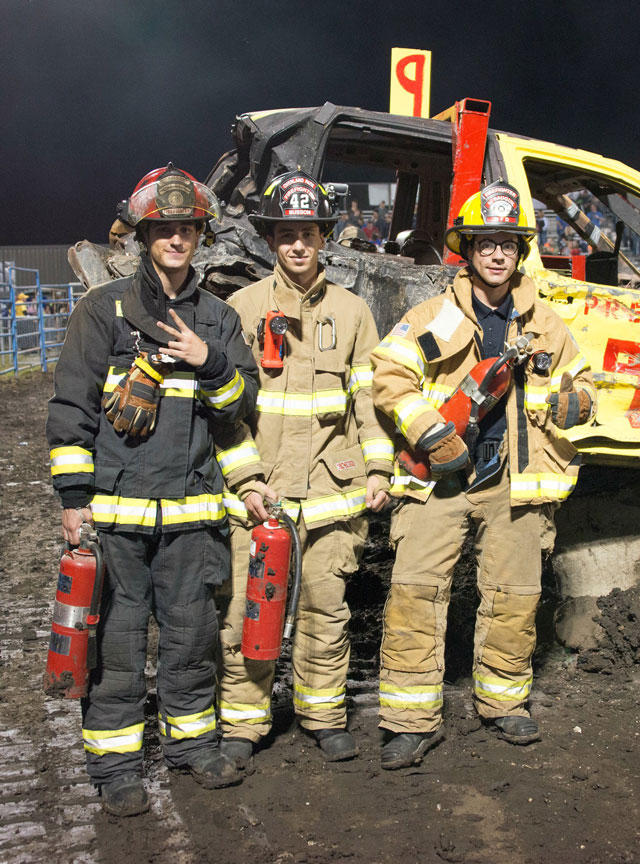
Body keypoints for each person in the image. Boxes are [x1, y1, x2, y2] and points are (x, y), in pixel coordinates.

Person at [46, 164, 259, 815]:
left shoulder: (219, 320)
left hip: (194, 518)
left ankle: (193, 747)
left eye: (185, 227)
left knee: (193, 637)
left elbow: (240, 405)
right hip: (117, 519)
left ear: (200, 234)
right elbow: (70, 410)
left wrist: (209, 361)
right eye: (162, 227)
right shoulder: (103, 311)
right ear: (143, 233)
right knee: (116, 644)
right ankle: (115, 768)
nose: (174, 238)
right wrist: (74, 499)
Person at [370, 180, 596, 770]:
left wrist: (578, 402)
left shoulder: (548, 326)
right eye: (485, 243)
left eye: (508, 244)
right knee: (416, 592)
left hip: (516, 481)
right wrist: (429, 433)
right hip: (440, 479)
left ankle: (504, 702)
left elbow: (584, 384)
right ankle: (410, 721)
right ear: (465, 249)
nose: (497, 254)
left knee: (515, 595)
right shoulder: (432, 316)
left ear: (520, 253)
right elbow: (390, 378)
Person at [215, 170, 394, 769]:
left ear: (324, 238)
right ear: (270, 240)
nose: (297, 245)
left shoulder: (352, 312)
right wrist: (245, 481)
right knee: (248, 610)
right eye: (286, 234)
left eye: (308, 233)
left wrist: (377, 471)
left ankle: (323, 716)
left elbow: (368, 400)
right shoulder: (240, 309)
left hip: (329, 493)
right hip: (258, 494)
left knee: (326, 608)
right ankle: (244, 724)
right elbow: (224, 412)